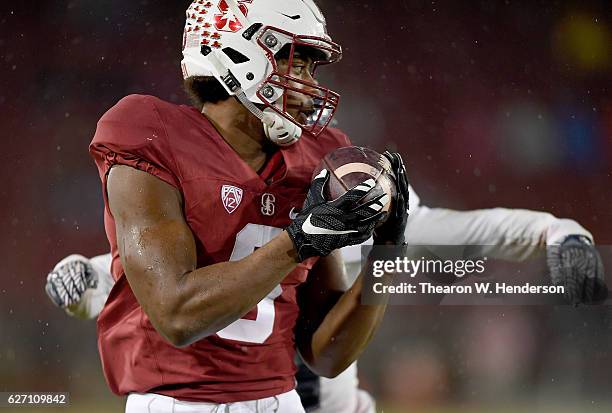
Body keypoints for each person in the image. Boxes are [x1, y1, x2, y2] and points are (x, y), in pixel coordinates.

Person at [43, 1, 412, 412]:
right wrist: (298, 241)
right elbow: (177, 316)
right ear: (241, 54)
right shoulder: (151, 133)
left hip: (281, 402)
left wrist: (388, 254)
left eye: (313, 69)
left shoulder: (315, 160)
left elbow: (326, 355)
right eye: (297, 63)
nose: (309, 85)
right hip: (178, 403)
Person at [47, 185, 606, 413]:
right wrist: (85, 281)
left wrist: (558, 231)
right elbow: (145, 282)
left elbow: (464, 230)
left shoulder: (361, 215)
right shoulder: (235, 206)